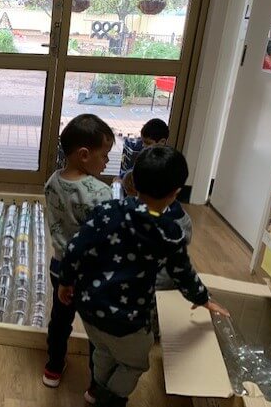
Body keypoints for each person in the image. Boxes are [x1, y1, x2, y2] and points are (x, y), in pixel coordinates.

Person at [57, 146, 229, 407]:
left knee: (102, 350)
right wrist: (203, 298)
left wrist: (65, 281)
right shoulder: (170, 232)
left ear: (133, 182)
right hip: (129, 319)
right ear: (176, 193)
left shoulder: (108, 210)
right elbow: (183, 274)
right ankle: (108, 401)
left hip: (90, 306)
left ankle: (96, 392)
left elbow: (74, 247)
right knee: (134, 364)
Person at [42, 114, 115, 404]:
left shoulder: (52, 181)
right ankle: (96, 385)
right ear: (84, 155)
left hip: (60, 267)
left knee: (60, 320)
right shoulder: (100, 192)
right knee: (97, 329)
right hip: (91, 273)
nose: (107, 162)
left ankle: (53, 366)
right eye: (105, 155)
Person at [119, 119, 170, 196]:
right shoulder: (144, 154)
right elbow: (133, 170)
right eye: (142, 142)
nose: (143, 145)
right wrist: (121, 177)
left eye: (148, 143)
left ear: (162, 142)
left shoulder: (166, 162)